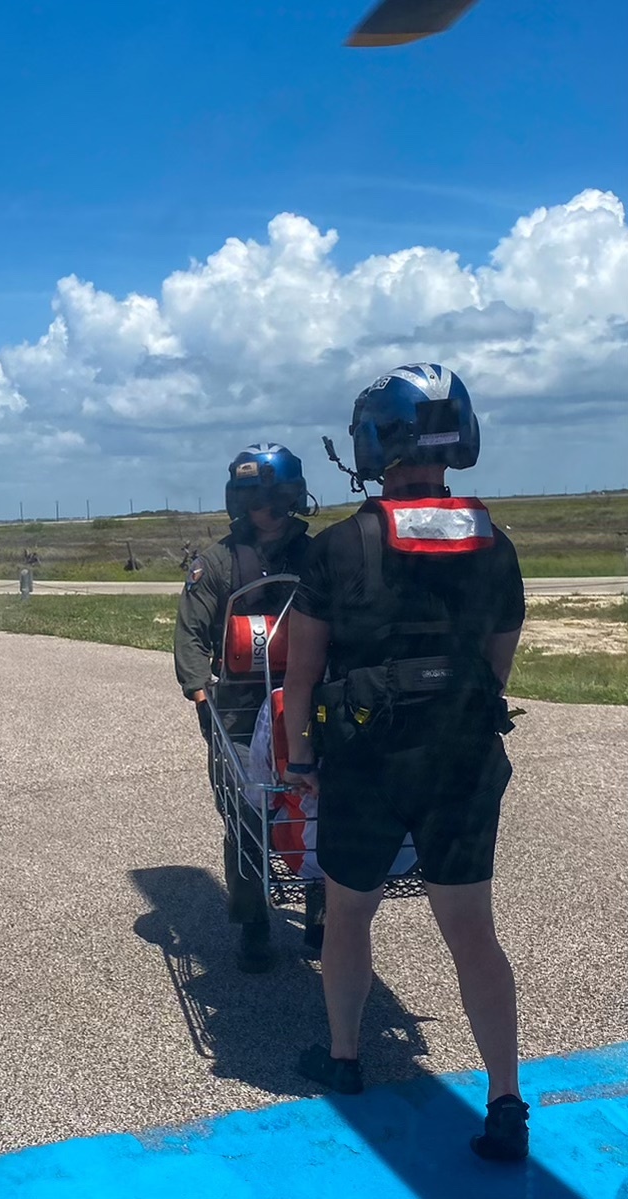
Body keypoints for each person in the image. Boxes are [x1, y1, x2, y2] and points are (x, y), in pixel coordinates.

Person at [282, 364, 528, 1161]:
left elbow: (302, 670)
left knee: (349, 913)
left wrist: (301, 757)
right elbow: (497, 665)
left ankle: (345, 1057)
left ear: (372, 442)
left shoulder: (337, 546)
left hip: (364, 758)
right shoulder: (495, 542)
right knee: (470, 930)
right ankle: (503, 1101)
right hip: (459, 756)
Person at [175, 442, 315, 972]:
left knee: (316, 805)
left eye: (278, 501)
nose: (269, 512)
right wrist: (199, 689)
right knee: (245, 815)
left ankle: (321, 911)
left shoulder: (319, 555)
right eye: (258, 501)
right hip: (235, 707)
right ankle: (254, 923)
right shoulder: (213, 563)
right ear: (240, 503)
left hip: (309, 701)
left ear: (294, 499)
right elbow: (190, 635)